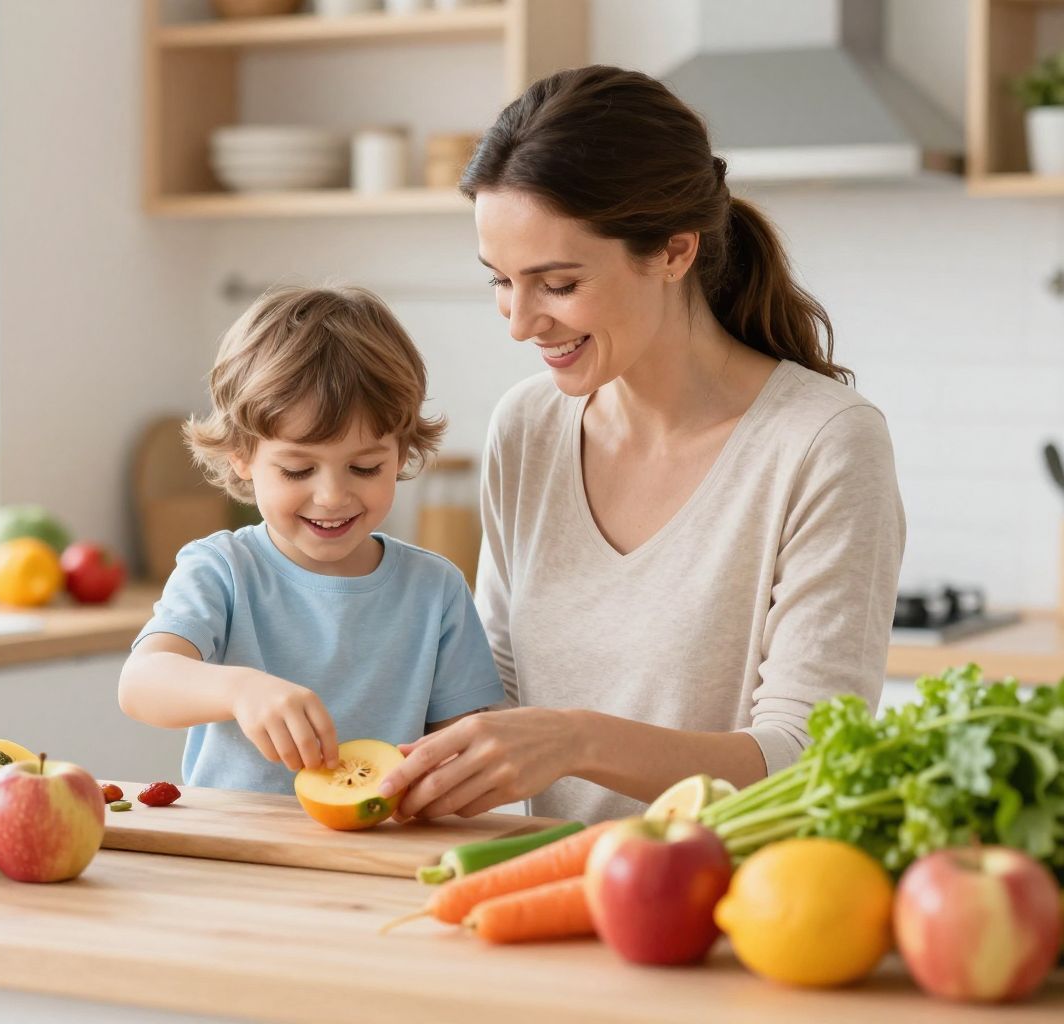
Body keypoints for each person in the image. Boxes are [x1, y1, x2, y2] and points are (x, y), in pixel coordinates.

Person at [376, 65, 906, 824]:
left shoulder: (823, 442)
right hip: (543, 894)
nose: (521, 322)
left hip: (741, 916)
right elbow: (495, 688)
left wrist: (577, 740)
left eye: (556, 284)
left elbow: (810, 760)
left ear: (673, 252)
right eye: (500, 280)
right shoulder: (527, 427)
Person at [117, 285, 505, 795]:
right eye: (298, 469)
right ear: (241, 457)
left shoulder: (436, 589)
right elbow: (141, 684)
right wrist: (239, 689)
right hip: (236, 855)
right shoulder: (222, 569)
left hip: (375, 855)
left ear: (403, 452)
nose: (331, 496)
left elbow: (460, 746)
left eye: (365, 467)